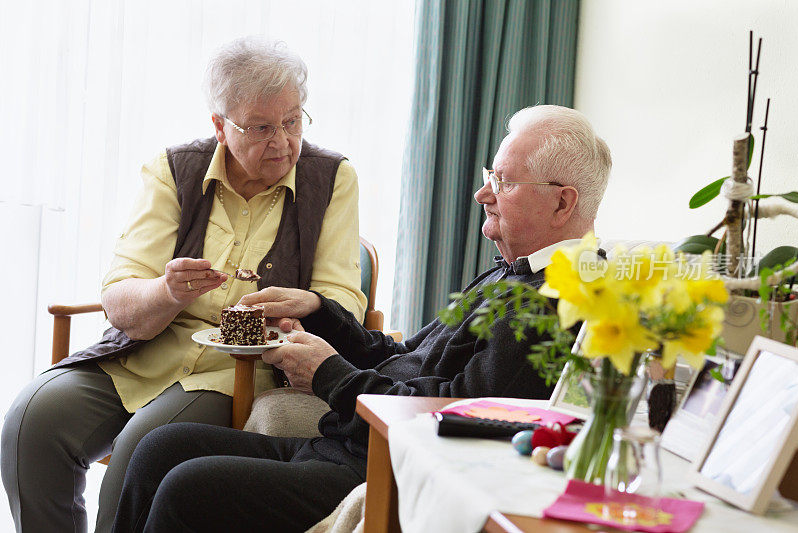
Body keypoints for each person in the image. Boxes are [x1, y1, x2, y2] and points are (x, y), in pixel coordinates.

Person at [110, 105, 612, 532]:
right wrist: (319, 311)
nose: (483, 194)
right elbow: (405, 357)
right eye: (489, 177)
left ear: (562, 202)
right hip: (349, 443)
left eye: (502, 182)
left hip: (379, 466)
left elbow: (450, 417)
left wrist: (329, 374)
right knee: (160, 447)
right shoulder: (511, 274)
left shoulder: (555, 301)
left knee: (188, 487)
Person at [1, 37, 366, 533]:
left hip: (236, 369)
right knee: (30, 425)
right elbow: (120, 293)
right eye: (260, 127)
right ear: (219, 125)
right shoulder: (175, 170)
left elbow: (343, 302)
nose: (282, 141)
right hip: (141, 352)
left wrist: (308, 306)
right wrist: (167, 292)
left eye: (293, 120)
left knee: (141, 448)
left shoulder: (333, 180)